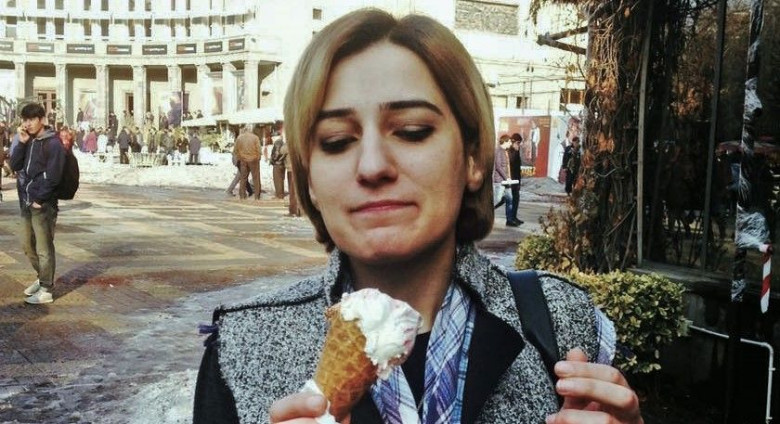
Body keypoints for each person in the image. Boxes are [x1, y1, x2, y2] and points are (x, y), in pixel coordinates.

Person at [193, 9, 643, 424]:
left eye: (412, 132)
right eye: (336, 141)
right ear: (309, 178)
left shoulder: (561, 325)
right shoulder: (244, 347)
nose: (372, 166)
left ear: (472, 158)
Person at [10, 103, 66, 305]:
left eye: (32, 119)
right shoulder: (30, 140)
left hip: (43, 203)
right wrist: (22, 143)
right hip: (27, 200)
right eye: (25, 120)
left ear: (42, 119)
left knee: (44, 247)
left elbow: (54, 176)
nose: (28, 124)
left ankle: (46, 289)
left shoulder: (53, 143)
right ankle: (42, 277)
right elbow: (15, 165)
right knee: (27, 245)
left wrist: (39, 199)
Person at [493, 134, 518, 227]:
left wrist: (509, 178)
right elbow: (498, 166)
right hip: (500, 181)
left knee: (509, 199)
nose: (511, 144)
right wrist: (506, 177)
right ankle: (485, 214)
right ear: (505, 141)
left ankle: (509, 220)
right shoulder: (498, 151)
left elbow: (507, 167)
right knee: (497, 200)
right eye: (509, 142)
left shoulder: (505, 152)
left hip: (507, 182)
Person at [232, 125, 262, 200]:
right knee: (256, 178)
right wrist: (258, 158)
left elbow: (235, 150)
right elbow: (259, 150)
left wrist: (240, 157)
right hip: (253, 160)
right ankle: (257, 196)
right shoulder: (255, 138)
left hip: (243, 160)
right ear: (251, 130)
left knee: (243, 178)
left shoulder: (239, 138)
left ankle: (242, 196)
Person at [508, 133, 524, 225]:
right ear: (513, 142)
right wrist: (515, 151)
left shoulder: (516, 151)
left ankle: (513, 217)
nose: (519, 145)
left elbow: (517, 168)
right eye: (518, 143)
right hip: (510, 180)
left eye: (519, 143)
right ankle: (510, 219)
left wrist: (519, 182)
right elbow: (510, 162)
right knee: (510, 200)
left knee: (516, 199)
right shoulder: (510, 150)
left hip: (516, 179)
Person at [270, 134, 287, 199]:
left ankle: (279, 195)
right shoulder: (282, 143)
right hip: (282, 164)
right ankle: (281, 193)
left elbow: (277, 153)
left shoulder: (277, 142)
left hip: (277, 164)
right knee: (281, 179)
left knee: (277, 180)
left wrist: (273, 160)